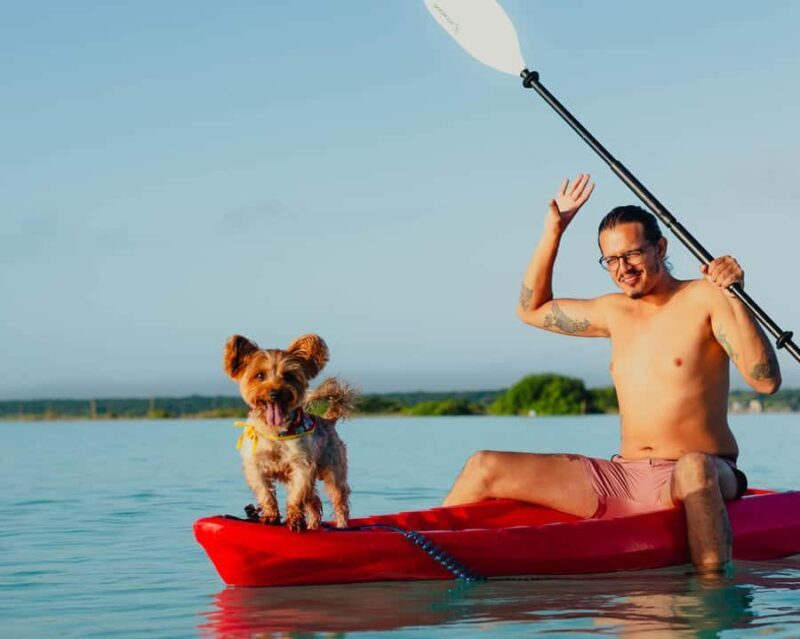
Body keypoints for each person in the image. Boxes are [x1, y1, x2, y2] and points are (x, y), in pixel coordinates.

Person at [442, 174, 781, 572]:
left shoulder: (705, 296)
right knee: (484, 465)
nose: (623, 269)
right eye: (612, 260)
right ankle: (418, 548)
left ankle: (710, 597)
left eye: (633, 255)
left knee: (692, 465)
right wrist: (555, 229)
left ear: (660, 247)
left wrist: (734, 294)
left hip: (704, 473)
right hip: (623, 476)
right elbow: (531, 310)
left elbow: (765, 381)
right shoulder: (612, 311)